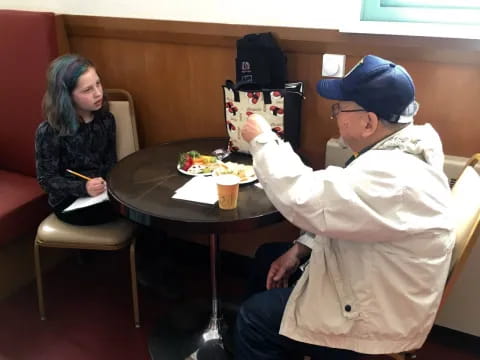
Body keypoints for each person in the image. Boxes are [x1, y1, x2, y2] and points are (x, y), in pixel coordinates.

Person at [235, 55, 454, 359]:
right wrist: (300, 249)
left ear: (369, 122)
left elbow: (304, 198)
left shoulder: (393, 177)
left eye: (339, 108)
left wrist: (262, 140)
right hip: (372, 272)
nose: (335, 114)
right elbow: (345, 213)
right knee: (266, 259)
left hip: (375, 316)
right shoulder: (402, 147)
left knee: (253, 319)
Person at [35, 54, 117, 225]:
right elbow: (46, 179)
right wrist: (83, 188)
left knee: (138, 206)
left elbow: (110, 160)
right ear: (67, 97)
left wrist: (107, 180)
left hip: (103, 192)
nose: (98, 93)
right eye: (87, 90)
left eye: (98, 84)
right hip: (70, 201)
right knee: (134, 215)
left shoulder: (106, 119)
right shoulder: (49, 131)